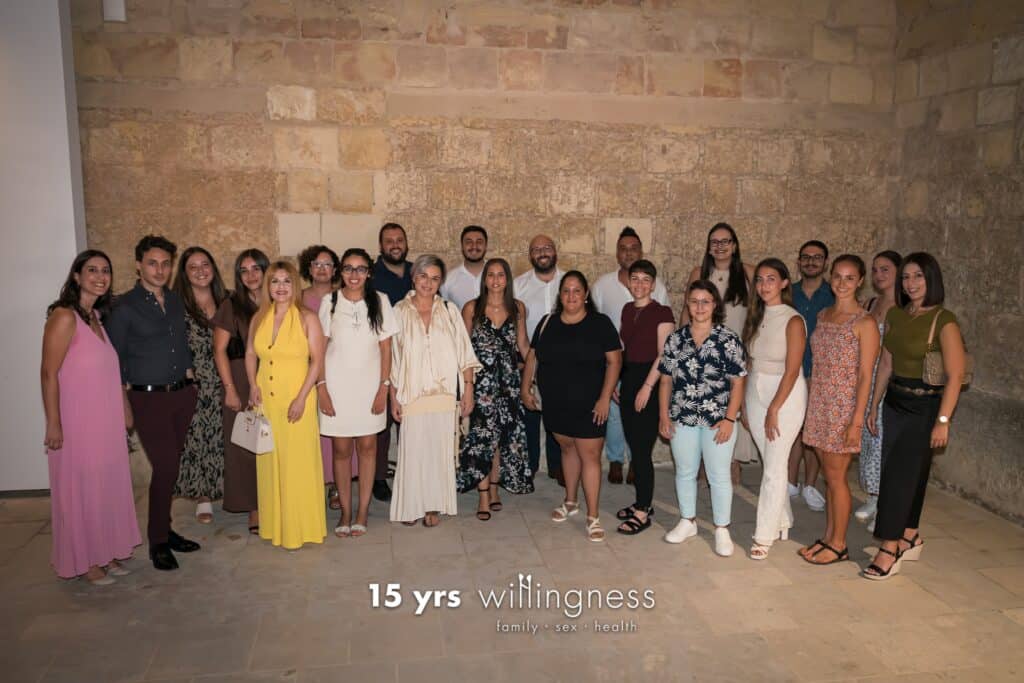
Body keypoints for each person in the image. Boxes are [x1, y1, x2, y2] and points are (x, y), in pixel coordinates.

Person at [862, 253, 966, 580]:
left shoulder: (943, 320)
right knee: (912, 472)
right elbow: (887, 365)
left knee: (898, 475)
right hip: (894, 402)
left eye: (918, 276)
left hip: (925, 407)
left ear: (931, 279)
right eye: (906, 277)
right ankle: (909, 534)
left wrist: (943, 421)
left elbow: (956, 374)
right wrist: (874, 404)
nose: (911, 283)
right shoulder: (896, 314)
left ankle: (889, 546)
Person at [42, 251, 141, 585]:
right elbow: (48, 373)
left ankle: (106, 553)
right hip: (77, 421)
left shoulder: (96, 317)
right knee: (82, 490)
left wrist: (124, 407)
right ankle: (86, 562)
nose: (100, 277)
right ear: (76, 276)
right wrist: (53, 423)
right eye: (92, 270)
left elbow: (110, 372)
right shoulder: (64, 317)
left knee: (105, 488)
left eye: (106, 271)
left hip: (105, 421)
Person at [106, 235, 200, 571]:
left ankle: (167, 528)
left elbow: (182, 344)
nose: (160, 270)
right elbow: (113, 362)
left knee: (171, 467)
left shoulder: (174, 301)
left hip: (181, 395)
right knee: (165, 467)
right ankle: (158, 540)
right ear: (138, 265)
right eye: (152, 263)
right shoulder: (123, 307)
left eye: (165, 263)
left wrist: (191, 382)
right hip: (147, 399)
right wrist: (124, 405)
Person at [522, 271, 622, 542]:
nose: (571, 296)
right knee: (568, 450)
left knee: (589, 456)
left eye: (577, 291)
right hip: (556, 403)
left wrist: (605, 398)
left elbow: (615, 361)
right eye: (566, 291)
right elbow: (532, 356)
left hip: (591, 404)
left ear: (586, 294)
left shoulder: (600, 324)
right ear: (560, 295)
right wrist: (525, 387)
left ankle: (592, 516)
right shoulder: (547, 322)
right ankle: (570, 501)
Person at [799, 256, 880, 565]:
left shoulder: (864, 322)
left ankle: (839, 544)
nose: (842, 283)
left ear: (860, 281)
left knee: (836, 477)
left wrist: (856, 419)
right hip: (820, 403)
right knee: (829, 478)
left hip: (843, 408)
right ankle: (828, 536)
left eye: (849, 278)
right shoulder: (823, 314)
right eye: (837, 276)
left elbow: (865, 374)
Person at [389, 255, 480, 527]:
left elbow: (465, 353)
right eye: (423, 276)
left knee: (438, 453)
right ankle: (411, 506)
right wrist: (393, 396)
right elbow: (394, 358)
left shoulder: (450, 311)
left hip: (443, 395)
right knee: (413, 452)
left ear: (441, 282)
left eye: (435, 278)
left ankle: (432, 506)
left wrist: (468, 390)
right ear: (414, 277)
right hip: (412, 395)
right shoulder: (399, 311)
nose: (428, 283)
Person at [658, 280, 747, 556]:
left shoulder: (728, 340)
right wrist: (664, 415)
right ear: (687, 303)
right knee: (685, 471)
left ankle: (722, 529)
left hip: (717, 419)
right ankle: (688, 521)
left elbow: (738, 384)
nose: (699, 307)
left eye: (705, 301)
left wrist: (730, 420)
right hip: (682, 417)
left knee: (719, 475)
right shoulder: (676, 339)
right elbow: (665, 381)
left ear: (715, 305)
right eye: (694, 301)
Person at [245, 261, 327, 549]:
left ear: (295, 285)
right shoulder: (259, 318)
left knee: (296, 462)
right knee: (269, 461)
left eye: (286, 281)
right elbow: (249, 355)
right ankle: (274, 525)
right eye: (275, 282)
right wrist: (253, 386)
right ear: (268, 286)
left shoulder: (308, 318)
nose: (280, 287)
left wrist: (302, 397)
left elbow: (317, 361)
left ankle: (300, 528)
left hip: (296, 397)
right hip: (265, 398)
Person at [318, 248, 398, 538]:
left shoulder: (381, 301)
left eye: (360, 269)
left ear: (369, 273)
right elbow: (319, 350)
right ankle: (346, 512)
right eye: (349, 269)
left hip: (370, 388)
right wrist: (321, 388)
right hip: (337, 388)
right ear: (341, 272)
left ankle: (362, 511)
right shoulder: (330, 302)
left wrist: (383, 388)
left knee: (367, 449)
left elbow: (386, 348)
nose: (354, 275)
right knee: (341, 451)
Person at [457, 258, 534, 521]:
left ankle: (494, 488)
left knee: (501, 439)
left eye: (501, 275)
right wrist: (464, 386)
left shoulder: (518, 308)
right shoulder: (471, 308)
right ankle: (482, 496)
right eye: (491, 275)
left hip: (509, 384)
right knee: (481, 440)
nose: (496, 280)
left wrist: (535, 377)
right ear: (485, 279)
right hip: (482, 385)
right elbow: (463, 349)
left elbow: (524, 345)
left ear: (507, 279)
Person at [591, 227, 669, 486]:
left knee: (642, 416)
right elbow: (598, 325)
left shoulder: (659, 290)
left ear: (640, 251)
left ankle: (638, 461)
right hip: (616, 363)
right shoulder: (603, 285)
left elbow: (665, 338)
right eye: (623, 248)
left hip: (648, 366)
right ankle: (615, 460)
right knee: (615, 414)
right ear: (617, 253)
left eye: (633, 248)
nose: (628, 252)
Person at [682, 223, 758, 483]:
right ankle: (706, 459)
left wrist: (751, 344)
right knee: (704, 404)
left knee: (733, 406)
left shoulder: (748, 273)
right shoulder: (699, 272)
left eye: (725, 241)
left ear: (734, 245)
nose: (720, 246)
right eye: (714, 241)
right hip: (703, 352)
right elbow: (686, 313)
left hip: (737, 352)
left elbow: (760, 313)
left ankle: (732, 461)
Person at [744, 259, 808, 560]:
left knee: (773, 465)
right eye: (760, 279)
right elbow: (749, 362)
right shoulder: (756, 315)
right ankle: (783, 520)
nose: (764, 285)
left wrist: (774, 408)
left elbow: (793, 370)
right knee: (771, 459)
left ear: (784, 283)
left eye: (771, 279)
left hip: (785, 394)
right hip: (756, 390)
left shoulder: (793, 320)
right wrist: (747, 403)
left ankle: (763, 535)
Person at [615, 260, 674, 535]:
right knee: (635, 446)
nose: (639, 284)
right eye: (634, 278)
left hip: (649, 382)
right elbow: (624, 348)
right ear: (628, 282)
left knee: (641, 450)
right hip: (629, 379)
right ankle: (643, 501)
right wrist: (617, 381)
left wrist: (647, 387)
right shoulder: (627, 310)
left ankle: (642, 511)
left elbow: (665, 355)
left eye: (645, 279)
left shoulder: (662, 312)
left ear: (653, 284)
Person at [212, 249, 268, 535]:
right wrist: (230, 389)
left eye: (256, 268)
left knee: (271, 444)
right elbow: (219, 349)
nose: (251, 275)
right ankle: (253, 507)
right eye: (244, 270)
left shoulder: (277, 300)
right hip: (240, 379)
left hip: (273, 379)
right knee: (245, 446)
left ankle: (272, 500)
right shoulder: (231, 305)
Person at [171, 246, 227, 525]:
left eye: (205, 264)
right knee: (196, 438)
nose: (201, 270)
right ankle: (203, 497)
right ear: (184, 273)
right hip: (192, 380)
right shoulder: (175, 305)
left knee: (222, 435)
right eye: (193, 266)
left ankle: (226, 488)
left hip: (225, 377)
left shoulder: (226, 300)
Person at [513, 234, 564, 485]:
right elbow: (514, 325)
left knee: (558, 415)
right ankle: (530, 466)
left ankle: (558, 467)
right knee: (530, 416)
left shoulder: (569, 282)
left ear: (555, 251)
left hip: (564, 364)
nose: (542, 252)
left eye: (547, 248)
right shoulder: (519, 285)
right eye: (536, 249)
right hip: (530, 360)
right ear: (530, 255)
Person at [298, 244, 346, 512]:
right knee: (312, 432)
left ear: (335, 269)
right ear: (309, 268)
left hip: (337, 372)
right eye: (316, 264)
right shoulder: (298, 298)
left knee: (335, 430)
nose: (322, 269)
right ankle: (315, 485)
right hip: (304, 372)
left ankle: (337, 486)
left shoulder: (344, 298)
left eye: (327, 264)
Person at [856, 251, 901, 532]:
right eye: (875, 270)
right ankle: (873, 497)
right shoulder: (871, 303)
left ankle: (887, 505)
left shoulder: (904, 307)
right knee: (869, 441)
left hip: (890, 381)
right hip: (867, 379)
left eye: (885, 269)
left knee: (885, 444)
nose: (879, 275)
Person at [789, 240, 834, 512]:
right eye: (805, 257)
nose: (811, 262)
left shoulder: (833, 294)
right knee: (793, 430)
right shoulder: (788, 293)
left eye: (817, 258)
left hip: (820, 375)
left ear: (825, 262)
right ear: (798, 261)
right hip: (792, 372)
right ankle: (790, 482)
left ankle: (810, 485)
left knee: (813, 432)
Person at [372, 222, 414, 503]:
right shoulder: (371, 276)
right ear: (381, 246)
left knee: (410, 423)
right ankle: (378, 478)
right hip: (380, 359)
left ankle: (411, 475)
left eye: (399, 240)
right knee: (382, 424)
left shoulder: (417, 272)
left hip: (413, 359)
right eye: (389, 241)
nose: (395, 245)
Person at [441, 225, 488, 310]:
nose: (474, 246)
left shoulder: (499, 276)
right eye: (469, 242)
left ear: (485, 246)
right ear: (462, 246)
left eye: (479, 242)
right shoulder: (447, 280)